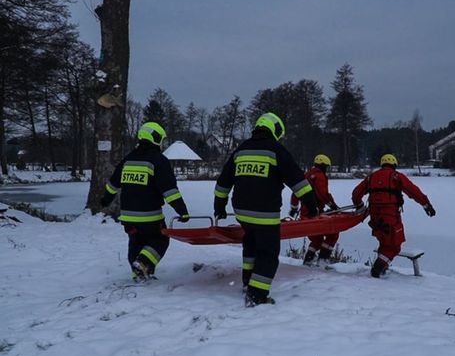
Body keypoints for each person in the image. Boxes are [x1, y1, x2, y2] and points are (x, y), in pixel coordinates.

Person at [213, 112, 318, 306]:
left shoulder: (241, 149)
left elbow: (223, 182)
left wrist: (219, 205)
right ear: (275, 130)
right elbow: (298, 181)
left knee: (251, 243)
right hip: (265, 212)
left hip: (242, 212)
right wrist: (311, 205)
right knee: (268, 254)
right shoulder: (276, 150)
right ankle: (257, 295)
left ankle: (247, 282)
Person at [100, 121, 190, 281]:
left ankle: (139, 273)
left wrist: (105, 200)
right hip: (150, 215)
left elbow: (113, 184)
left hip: (128, 216)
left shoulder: (128, 160)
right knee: (160, 240)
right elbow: (169, 191)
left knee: (136, 242)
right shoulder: (158, 160)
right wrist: (182, 211)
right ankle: (143, 263)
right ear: (155, 138)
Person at [351, 154, 436, 278]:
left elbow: (356, 193)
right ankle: (378, 269)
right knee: (394, 245)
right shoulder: (396, 176)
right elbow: (413, 191)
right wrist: (426, 204)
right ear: (394, 164)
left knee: (384, 242)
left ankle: (382, 268)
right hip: (390, 215)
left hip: (374, 216)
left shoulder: (371, 177)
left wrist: (359, 205)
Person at [289, 154, 340, 266]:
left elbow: (295, 193)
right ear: (323, 166)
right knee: (333, 235)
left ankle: (308, 262)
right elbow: (323, 193)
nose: (327, 169)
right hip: (315, 213)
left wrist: (293, 208)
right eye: (326, 167)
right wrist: (332, 205)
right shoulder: (319, 176)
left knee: (317, 240)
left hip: (304, 214)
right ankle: (322, 261)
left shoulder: (305, 175)